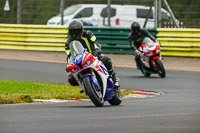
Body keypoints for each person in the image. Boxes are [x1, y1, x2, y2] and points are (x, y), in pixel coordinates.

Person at [65, 20, 119, 89]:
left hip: (93, 56)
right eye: (72, 31)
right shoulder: (68, 43)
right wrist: (68, 64)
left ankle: (114, 78)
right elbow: (69, 55)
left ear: (81, 30)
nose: (75, 33)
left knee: (106, 60)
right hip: (80, 60)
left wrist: (97, 50)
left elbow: (95, 42)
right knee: (71, 78)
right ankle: (86, 86)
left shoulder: (88, 34)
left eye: (77, 31)